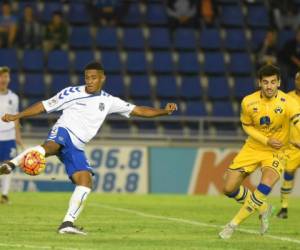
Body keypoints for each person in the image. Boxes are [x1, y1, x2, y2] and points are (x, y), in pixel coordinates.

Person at [0, 62, 177, 235]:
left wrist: (164, 111)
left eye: (93, 78)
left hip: (77, 146)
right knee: (52, 146)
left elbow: (139, 110)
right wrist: (18, 115)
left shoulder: (109, 101)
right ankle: (11, 165)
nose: (89, 81)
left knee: (85, 182)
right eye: (87, 78)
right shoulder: (71, 92)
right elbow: (44, 105)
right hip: (64, 131)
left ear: (102, 78)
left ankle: (67, 223)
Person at [219, 64, 300, 239]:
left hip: (276, 152)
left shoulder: (289, 102)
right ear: (259, 83)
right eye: (265, 82)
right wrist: (266, 140)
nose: (269, 86)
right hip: (252, 148)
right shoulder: (248, 101)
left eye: (273, 82)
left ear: (279, 83)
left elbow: (298, 121)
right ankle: (263, 208)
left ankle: (232, 225)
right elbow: (246, 126)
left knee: (266, 183)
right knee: (228, 188)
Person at [277, 71, 300, 219]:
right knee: (288, 176)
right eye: (299, 79)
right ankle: (284, 208)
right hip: (293, 146)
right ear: (295, 80)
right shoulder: (287, 98)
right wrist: (289, 140)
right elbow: (282, 122)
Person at [0, 66, 23, 204]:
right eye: (2, 76)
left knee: (8, 166)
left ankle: (4, 195)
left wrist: (18, 136)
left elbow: (16, 117)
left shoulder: (14, 97)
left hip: (9, 137)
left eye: (6, 76)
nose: (4, 79)